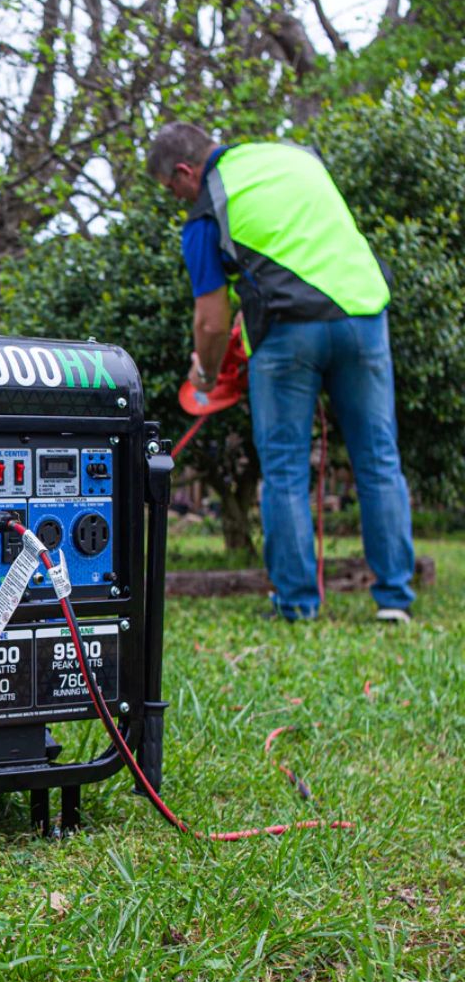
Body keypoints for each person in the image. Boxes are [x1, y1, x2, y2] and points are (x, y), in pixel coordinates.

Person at [147, 122, 415, 623]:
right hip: (364, 314)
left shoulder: (207, 212)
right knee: (379, 460)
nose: (177, 198)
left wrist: (204, 375)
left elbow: (210, 318)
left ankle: (296, 603)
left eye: (171, 189)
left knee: (286, 470)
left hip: (290, 333)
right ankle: (394, 601)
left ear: (185, 172)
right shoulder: (294, 155)